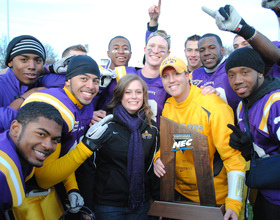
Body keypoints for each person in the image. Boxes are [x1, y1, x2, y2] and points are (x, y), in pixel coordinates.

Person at [12, 55, 108, 220]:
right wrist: (87, 147)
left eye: (95, 81)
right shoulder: (56, 107)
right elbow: (43, 178)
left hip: (48, 191)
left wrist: (72, 188)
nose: (91, 86)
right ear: (68, 81)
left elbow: (64, 152)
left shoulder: (84, 105)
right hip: (24, 192)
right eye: (83, 78)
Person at [154, 56, 246, 220]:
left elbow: (233, 157)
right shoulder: (168, 107)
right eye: (166, 76)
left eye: (176, 74)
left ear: (188, 76)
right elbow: (168, 145)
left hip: (214, 199)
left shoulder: (213, 105)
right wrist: (158, 158)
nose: (171, 80)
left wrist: (234, 202)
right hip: (180, 195)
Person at [76, 74, 160, 220]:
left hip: (140, 205)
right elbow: (88, 168)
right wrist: (87, 206)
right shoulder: (105, 124)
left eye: (138, 92)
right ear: (120, 95)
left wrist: (159, 202)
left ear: (144, 96)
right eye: (128, 92)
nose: (133, 96)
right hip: (108, 206)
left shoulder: (152, 128)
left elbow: (152, 168)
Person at [225, 47, 280, 220]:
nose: (237, 80)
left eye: (245, 72)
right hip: (264, 192)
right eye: (231, 75)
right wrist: (248, 148)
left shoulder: (275, 102)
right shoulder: (243, 105)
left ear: (261, 73)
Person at [0, 101, 63, 218]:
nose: (48, 146)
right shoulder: (3, 172)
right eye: (41, 134)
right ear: (15, 128)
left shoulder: (15, 150)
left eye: (55, 140)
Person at [0, 35, 73, 133]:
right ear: (10, 62)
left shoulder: (38, 81)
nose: (32, 66)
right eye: (24, 60)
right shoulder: (2, 85)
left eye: (38, 61)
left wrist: (48, 69)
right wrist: (26, 96)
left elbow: (75, 81)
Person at [191, 33, 241, 114]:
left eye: (212, 48)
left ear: (222, 50)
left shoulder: (234, 67)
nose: (206, 53)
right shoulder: (193, 75)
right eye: (202, 50)